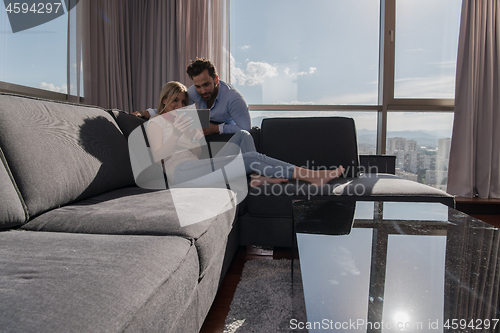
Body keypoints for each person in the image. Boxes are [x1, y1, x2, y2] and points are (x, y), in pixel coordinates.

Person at [146, 81, 344, 188]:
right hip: (179, 173)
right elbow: (157, 158)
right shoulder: (155, 123)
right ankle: (312, 176)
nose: (179, 106)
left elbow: (197, 154)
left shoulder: (183, 120)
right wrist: (175, 135)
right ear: (164, 100)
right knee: (250, 158)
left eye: (183, 102)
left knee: (243, 135)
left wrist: (193, 134)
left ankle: (256, 177)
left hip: (194, 165)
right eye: (175, 101)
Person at [133, 58, 251, 136]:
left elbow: (246, 129)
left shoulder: (234, 99)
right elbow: (173, 108)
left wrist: (216, 128)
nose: (203, 91)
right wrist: (143, 113)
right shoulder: (193, 92)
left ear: (216, 80)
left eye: (206, 85)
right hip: (199, 134)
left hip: (225, 136)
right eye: (198, 86)